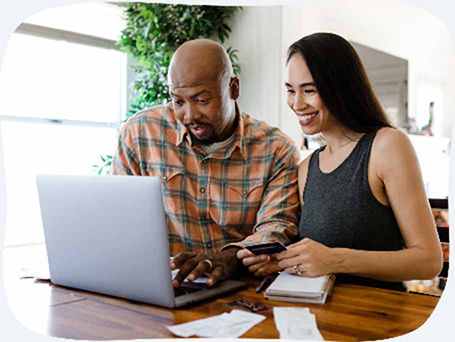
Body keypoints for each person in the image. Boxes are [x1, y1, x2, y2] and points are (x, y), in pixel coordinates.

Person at [238, 33, 442, 291]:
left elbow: (428, 261)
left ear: (341, 87)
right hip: (320, 314)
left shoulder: (387, 146)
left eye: (309, 90)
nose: (297, 104)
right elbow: (315, 258)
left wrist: (336, 259)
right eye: (291, 91)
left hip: (377, 315)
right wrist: (278, 261)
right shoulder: (306, 168)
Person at [110, 39, 300, 288]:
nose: (189, 116)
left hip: (239, 288)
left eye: (201, 100)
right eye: (178, 101)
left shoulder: (276, 149)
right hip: (163, 284)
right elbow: (118, 217)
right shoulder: (140, 134)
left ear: (233, 88)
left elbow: (277, 226)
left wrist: (230, 257)